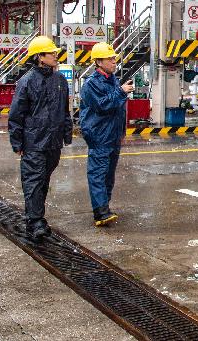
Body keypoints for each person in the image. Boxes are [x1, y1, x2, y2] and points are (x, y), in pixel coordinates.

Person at [8, 35, 73, 240]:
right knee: (33, 181)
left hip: (53, 142)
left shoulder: (60, 80)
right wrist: (17, 142)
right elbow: (16, 114)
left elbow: (64, 110)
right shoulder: (26, 81)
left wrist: (66, 134)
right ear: (39, 57)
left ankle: (36, 216)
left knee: (43, 180)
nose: (55, 55)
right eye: (51, 53)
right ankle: (35, 221)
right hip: (34, 141)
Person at [79, 42, 134, 226]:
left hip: (113, 135)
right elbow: (102, 105)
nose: (114, 61)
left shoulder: (112, 80)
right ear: (98, 62)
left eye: (114, 58)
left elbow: (116, 106)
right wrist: (121, 92)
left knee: (108, 175)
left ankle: (105, 207)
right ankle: (100, 212)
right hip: (99, 136)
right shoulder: (91, 84)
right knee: (98, 174)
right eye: (110, 59)